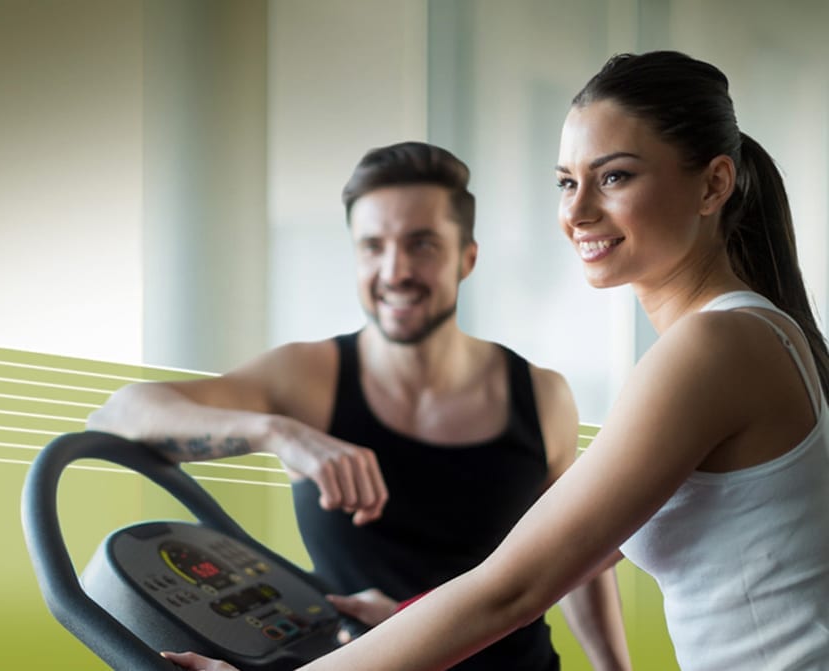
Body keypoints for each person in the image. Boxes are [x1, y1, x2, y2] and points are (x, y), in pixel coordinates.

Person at [162, 51, 829, 671]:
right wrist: (400, 616)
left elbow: (510, 589)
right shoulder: (744, 335)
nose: (577, 210)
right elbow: (560, 560)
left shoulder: (713, 348)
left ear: (714, 184)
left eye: (615, 176)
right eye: (567, 181)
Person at [87, 141, 632, 670]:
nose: (394, 271)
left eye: (422, 244)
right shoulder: (306, 378)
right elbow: (117, 416)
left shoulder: (541, 395)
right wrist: (278, 433)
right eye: (373, 246)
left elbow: (579, 560)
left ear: (467, 258)